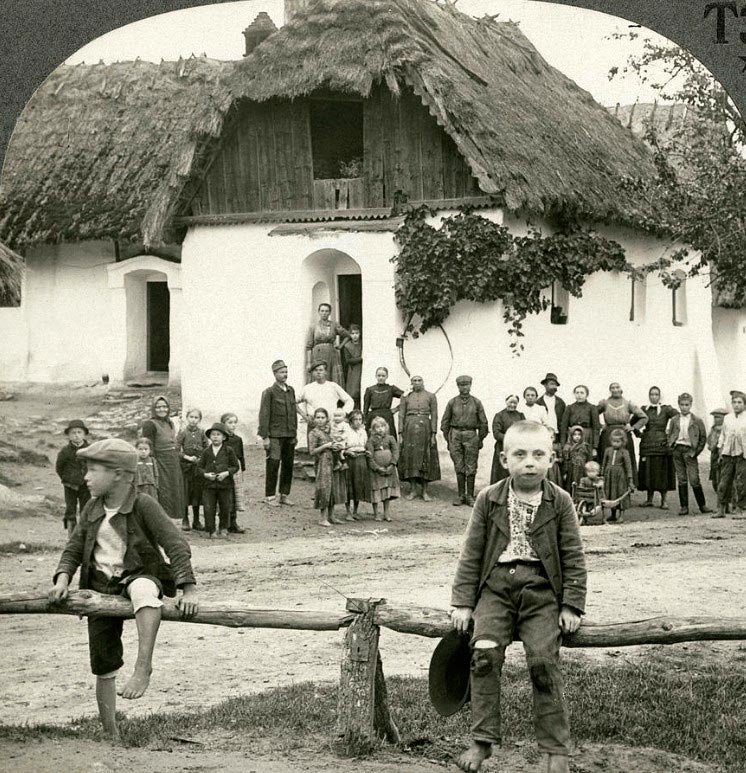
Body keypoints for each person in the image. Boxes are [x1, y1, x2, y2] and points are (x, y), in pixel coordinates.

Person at [450, 421, 586, 773]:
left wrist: (571, 604)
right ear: (503, 458)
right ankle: (482, 741)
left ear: (552, 459)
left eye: (538, 455)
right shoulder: (489, 498)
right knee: (483, 655)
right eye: (520, 454)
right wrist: (464, 603)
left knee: (543, 662)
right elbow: (472, 553)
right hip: (495, 589)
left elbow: (572, 555)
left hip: (541, 590)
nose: (529, 462)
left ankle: (555, 749)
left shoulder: (560, 501)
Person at [48, 438, 198, 743]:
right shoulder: (92, 507)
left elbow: (176, 545)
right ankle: (111, 733)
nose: (86, 477)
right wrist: (63, 579)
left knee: (144, 590)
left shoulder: (143, 504)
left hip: (136, 576)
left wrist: (188, 590)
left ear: (118, 474)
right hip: (100, 587)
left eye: (93, 470)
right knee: (102, 661)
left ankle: (144, 666)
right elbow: (74, 547)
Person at [441, 376, 489, 507]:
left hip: (471, 434)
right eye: (461, 385)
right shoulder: (452, 402)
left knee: (471, 466)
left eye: (466, 385)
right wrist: (449, 439)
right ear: (458, 387)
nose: (464, 387)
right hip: (455, 434)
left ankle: (470, 496)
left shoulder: (477, 402)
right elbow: (445, 422)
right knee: (459, 465)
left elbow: (484, 423)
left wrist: (480, 439)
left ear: (470, 385)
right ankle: (461, 495)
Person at [258, 359, 298, 508]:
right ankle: (269, 496)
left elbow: (293, 412)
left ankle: (284, 495)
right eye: (281, 372)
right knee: (273, 464)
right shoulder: (268, 392)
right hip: (274, 435)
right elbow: (264, 415)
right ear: (274, 374)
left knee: (288, 465)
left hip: (289, 434)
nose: (284, 375)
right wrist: (265, 436)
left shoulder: (291, 390)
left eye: (286, 372)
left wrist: (294, 434)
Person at [139, 395, 185, 520]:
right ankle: (161, 520)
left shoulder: (169, 422)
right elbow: (148, 446)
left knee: (174, 490)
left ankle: (172, 521)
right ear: (153, 409)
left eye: (164, 406)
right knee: (163, 491)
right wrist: (154, 463)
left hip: (173, 461)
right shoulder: (150, 424)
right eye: (158, 407)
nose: (161, 409)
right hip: (160, 461)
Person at [666, 393, 712, 516]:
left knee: (694, 479)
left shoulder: (697, 420)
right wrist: (671, 446)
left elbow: (703, 438)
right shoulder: (674, 420)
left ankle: (702, 505)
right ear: (679, 405)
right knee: (681, 479)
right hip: (677, 450)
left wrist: (695, 452)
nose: (684, 407)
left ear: (691, 405)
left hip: (689, 451)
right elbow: (670, 434)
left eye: (687, 405)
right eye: (682, 404)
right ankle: (684, 507)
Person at [398, 375, 441, 501]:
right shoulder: (405, 396)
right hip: (409, 428)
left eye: (419, 380)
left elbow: (434, 415)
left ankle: (424, 491)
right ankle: (412, 490)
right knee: (410, 458)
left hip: (425, 429)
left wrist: (433, 434)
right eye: (414, 381)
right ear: (411, 382)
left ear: (423, 382)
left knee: (426, 458)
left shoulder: (431, 396)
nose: (417, 383)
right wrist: (400, 433)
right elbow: (401, 415)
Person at [597, 382, 647, 488]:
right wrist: (600, 425)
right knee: (608, 459)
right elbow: (593, 414)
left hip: (624, 434)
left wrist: (633, 427)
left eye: (617, 387)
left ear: (621, 389)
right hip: (608, 435)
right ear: (610, 390)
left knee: (625, 460)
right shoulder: (604, 403)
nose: (615, 390)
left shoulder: (628, 403)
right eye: (612, 388)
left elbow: (644, 417)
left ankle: (626, 486)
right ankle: (606, 487)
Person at [637, 386, 677, 510]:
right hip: (647, 445)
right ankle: (649, 500)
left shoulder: (666, 409)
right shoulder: (644, 409)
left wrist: (671, 435)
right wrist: (640, 434)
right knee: (648, 472)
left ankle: (664, 501)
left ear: (660, 396)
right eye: (652, 394)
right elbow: (633, 423)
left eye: (656, 394)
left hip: (662, 445)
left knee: (661, 473)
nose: (654, 397)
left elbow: (679, 418)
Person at [197, 423, 240, 539]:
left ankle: (224, 527)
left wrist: (226, 473)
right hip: (209, 485)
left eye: (218, 434)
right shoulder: (206, 451)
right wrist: (206, 475)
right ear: (210, 437)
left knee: (225, 506)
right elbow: (199, 467)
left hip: (225, 485)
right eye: (213, 435)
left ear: (224, 437)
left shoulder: (229, 450)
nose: (215, 437)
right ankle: (211, 530)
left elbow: (236, 466)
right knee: (208, 507)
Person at [297, 361, 354, 443]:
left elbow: (349, 400)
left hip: (331, 425)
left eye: (321, 370)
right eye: (315, 370)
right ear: (312, 373)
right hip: (313, 425)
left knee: (332, 450)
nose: (318, 372)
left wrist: (342, 414)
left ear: (326, 372)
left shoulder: (333, 386)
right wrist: (304, 416)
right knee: (314, 451)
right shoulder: (307, 388)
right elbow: (293, 402)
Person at [714, 390, 746, 519]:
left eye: (740, 402)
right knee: (723, 482)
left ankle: (740, 509)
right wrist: (720, 450)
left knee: (741, 482)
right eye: (734, 402)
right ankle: (721, 509)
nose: (736, 405)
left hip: (742, 454)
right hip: (728, 453)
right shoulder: (728, 418)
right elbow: (723, 436)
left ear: (744, 404)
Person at [55, 419, 91, 536]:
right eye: (73, 433)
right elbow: (59, 468)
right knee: (70, 510)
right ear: (69, 435)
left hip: (86, 484)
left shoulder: (90, 449)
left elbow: (95, 465)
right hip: (70, 485)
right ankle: (71, 535)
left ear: (84, 434)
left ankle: (84, 534)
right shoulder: (65, 451)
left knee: (85, 509)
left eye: (79, 432)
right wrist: (67, 478)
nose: (76, 435)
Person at [177, 408, 208, 531]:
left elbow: (207, 448)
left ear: (199, 419)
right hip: (186, 467)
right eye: (191, 417)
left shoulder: (202, 433)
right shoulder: (183, 432)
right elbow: (176, 449)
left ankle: (196, 520)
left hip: (198, 467)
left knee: (197, 492)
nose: (193, 420)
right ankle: (185, 519)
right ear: (187, 418)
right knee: (186, 492)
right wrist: (187, 457)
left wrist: (201, 458)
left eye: (196, 418)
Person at [308, 408, 340, 527]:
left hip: (331, 460)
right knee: (324, 487)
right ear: (314, 419)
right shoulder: (313, 433)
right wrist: (326, 446)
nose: (320, 420)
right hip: (322, 462)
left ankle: (331, 516)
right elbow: (312, 451)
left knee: (332, 488)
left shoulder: (328, 432)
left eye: (323, 417)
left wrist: (335, 447)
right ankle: (322, 518)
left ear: (327, 419)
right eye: (318, 417)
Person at [305, 303, 350, 384]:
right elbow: (309, 346)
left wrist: (340, 346)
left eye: (326, 311)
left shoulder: (334, 325)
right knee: (319, 376)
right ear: (318, 312)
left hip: (331, 355)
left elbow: (347, 335)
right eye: (322, 311)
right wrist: (308, 363)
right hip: (317, 355)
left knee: (331, 377)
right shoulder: (313, 326)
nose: (324, 313)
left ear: (329, 313)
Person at [367, 416, 401, 522]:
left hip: (389, 470)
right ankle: (376, 513)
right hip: (377, 471)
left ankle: (386, 513)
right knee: (376, 491)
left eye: (382, 426)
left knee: (387, 491)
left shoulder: (390, 438)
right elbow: (370, 456)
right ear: (373, 429)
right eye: (377, 427)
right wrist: (377, 468)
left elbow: (396, 451)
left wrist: (392, 464)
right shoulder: (371, 440)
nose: (380, 429)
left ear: (386, 427)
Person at [220, 413, 246, 534]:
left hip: (236, 471)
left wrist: (242, 470)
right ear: (223, 424)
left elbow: (240, 456)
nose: (233, 425)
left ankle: (233, 522)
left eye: (234, 422)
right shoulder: (221, 440)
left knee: (236, 496)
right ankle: (224, 523)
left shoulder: (238, 439)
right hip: (224, 470)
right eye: (230, 422)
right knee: (226, 496)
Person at [601, 429, 634, 523]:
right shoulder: (608, 450)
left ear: (623, 442)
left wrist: (630, 479)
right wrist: (602, 475)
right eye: (613, 441)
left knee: (620, 493)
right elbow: (604, 463)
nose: (615, 443)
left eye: (618, 441)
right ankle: (613, 514)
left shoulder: (625, 452)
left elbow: (628, 466)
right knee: (611, 493)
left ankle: (621, 515)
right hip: (609, 475)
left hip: (620, 475)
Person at [490, 395, 524, 484]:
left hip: (517, 448)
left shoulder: (520, 415)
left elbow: (524, 430)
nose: (512, 405)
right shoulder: (499, 416)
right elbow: (496, 434)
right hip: (502, 448)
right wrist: (510, 438)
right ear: (506, 402)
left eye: (515, 403)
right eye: (510, 402)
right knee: (501, 472)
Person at [343, 409, 371, 520]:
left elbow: (365, 445)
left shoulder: (363, 432)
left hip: (361, 459)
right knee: (349, 486)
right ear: (350, 421)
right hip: (350, 459)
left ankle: (355, 511)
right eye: (355, 419)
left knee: (358, 485)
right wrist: (347, 452)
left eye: (360, 419)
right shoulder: (346, 431)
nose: (358, 422)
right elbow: (341, 447)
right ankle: (348, 512)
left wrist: (367, 452)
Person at [363, 367, 404, 439]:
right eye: (379, 375)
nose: (381, 378)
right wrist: (365, 420)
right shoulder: (370, 389)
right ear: (376, 376)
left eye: (383, 376)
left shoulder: (391, 388)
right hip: (373, 416)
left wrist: (397, 408)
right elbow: (365, 408)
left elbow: (406, 396)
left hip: (387, 416)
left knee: (388, 438)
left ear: (387, 376)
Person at [558, 385, 599, 450]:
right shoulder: (569, 408)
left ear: (587, 395)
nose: (579, 395)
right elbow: (563, 427)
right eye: (577, 393)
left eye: (582, 393)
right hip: (573, 437)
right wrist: (563, 444)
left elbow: (596, 428)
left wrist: (595, 446)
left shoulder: (592, 408)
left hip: (587, 437)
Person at [537, 372, 566, 442]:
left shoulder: (561, 402)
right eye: (552, 384)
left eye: (555, 385)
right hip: (543, 435)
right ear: (545, 385)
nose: (554, 387)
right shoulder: (538, 402)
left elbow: (564, 421)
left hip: (558, 435)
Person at [562, 426, 592, 492]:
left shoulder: (585, 446)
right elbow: (566, 460)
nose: (577, 436)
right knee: (571, 485)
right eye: (575, 435)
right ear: (571, 435)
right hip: (571, 470)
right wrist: (565, 472)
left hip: (582, 469)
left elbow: (589, 459)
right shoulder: (568, 447)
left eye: (579, 435)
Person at [707, 407, 728, 500]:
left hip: (722, 453)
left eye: (719, 417)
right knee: (714, 471)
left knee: (722, 473)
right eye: (715, 417)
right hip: (714, 453)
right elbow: (709, 439)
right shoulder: (713, 428)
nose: (716, 419)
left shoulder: (724, 428)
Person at [342, 324, 363, 409]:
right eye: (352, 333)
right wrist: (360, 359)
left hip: (362, 368)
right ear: (350, 335)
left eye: (357, 333)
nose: (355, 336)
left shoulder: (363, 343)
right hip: (353, 370)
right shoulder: (347, 346)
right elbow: (348, 360)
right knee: (354, 391)